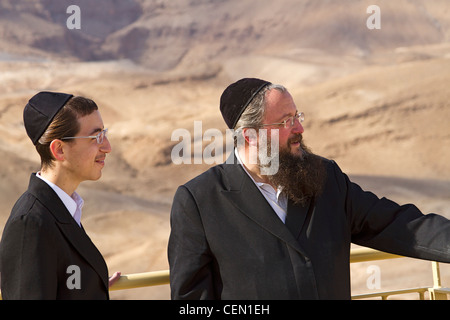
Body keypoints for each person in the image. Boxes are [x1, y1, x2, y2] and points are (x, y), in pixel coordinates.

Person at [168, 78, 450, 300]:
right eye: (285, 121)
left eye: (297, 115)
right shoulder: (199, 201)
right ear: (249, 136)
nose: (299, 128)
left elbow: (398, 224)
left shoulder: (326, 178)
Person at [0, 91, 120, 299]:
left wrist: (91, 287)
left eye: (105, 133)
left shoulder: (62, 208)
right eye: (96, 137)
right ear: (59, 150)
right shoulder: (30, 223)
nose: (107, 147)